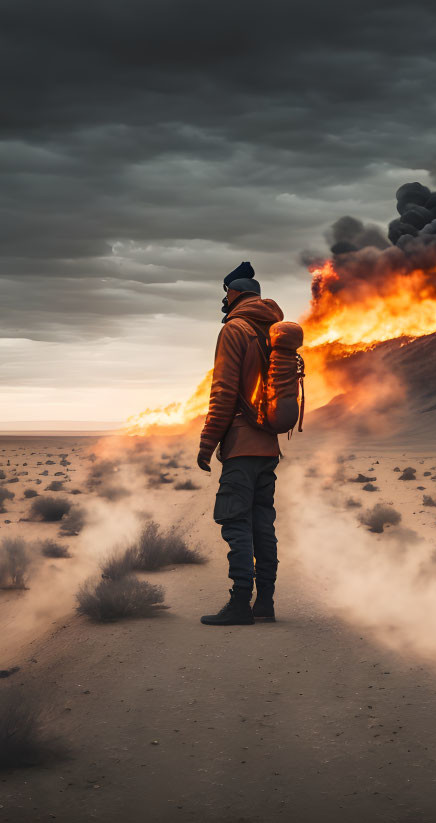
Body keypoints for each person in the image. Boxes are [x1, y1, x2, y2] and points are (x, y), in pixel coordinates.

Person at [196, 261, 284, 625]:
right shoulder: (273, 331)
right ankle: (265, 602)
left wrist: (207, 442)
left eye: (225, 294)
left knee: (235, 521)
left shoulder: (235, 329)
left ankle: (239, 604)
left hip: (242, 446)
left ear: (233, 294)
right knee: (263, 522)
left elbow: (224, 391)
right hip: (268, 446)